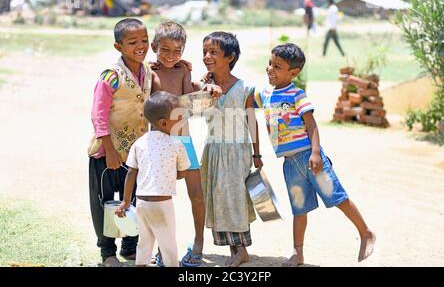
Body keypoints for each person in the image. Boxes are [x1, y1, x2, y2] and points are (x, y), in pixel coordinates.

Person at [254, 43, 375, 266]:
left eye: (277, 66)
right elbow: (245, 100)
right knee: (299, 209)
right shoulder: (265, 94)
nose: (270, 68)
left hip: (310, 160)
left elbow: (312, 125)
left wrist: (316, 153)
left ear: (293, 72)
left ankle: (365, 232)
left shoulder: (297, 95)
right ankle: (298, 252)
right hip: (290, 165)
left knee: (338, 198)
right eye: (270, 63)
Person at [149, 21, 221, 267]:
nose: (171, 56)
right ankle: (163, 249)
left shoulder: (182, 72)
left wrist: (206, 87)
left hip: (183, 138)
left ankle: (199, 244)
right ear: (154, 47)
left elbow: (190, 96)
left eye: (177, 50)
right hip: (158, 142)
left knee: (197, 194)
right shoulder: (149, 74)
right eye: (165, 50)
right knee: (160, 198)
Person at [87, 18, 156, 267]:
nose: (141, 45)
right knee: (104, 202)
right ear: (119, 46)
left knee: (135, 200)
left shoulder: (147, 71)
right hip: (107, 153)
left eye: (145, 40)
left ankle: (129, 247)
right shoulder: (111, 76)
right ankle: (107, 252)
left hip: (137, 153)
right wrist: (109, 149)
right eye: (133, 42)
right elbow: (98, 114)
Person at [201, 31, 263, 267]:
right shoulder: (204, 86)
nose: (207, 56)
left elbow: (252, 122)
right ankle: (232, 248)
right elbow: (191, 109)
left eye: (213, 52)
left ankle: (240, 250)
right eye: (204, 52)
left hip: (237, 151)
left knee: (235, 198)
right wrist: (202, 85)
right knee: (218, 198)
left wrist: (257, 154)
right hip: (213, 150)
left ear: (230, 57)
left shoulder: (245, 88)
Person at [115, 91, 191, 267]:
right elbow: (182, 173)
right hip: (162, 205)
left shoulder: (139, 143)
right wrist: (170, 175)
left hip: (141, 203)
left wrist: (126, 201)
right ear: (164, 123)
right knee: (168, 245)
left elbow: (131, 173)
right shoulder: (176, 144)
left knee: (144, 243)